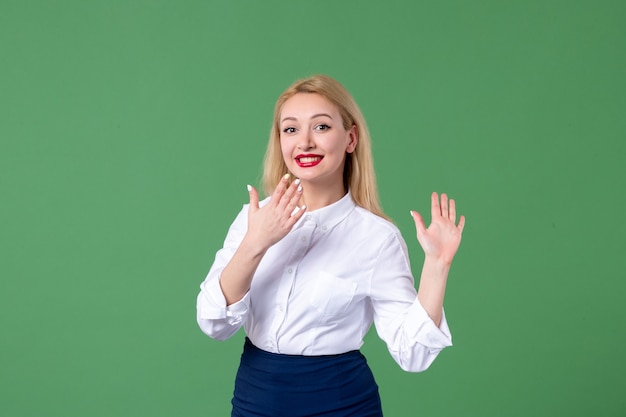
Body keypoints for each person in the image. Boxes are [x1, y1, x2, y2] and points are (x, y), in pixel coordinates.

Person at [196, 74, 465, 417]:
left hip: (342, 404)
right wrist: (255, 243)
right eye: (290, 129)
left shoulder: (377, 239)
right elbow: (214, 323)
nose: (304, 142)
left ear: (351, 138)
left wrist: (437, 267)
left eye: (321, 127)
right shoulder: (253, 220)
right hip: (256, 399)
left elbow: (412, 354)